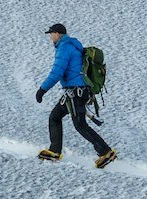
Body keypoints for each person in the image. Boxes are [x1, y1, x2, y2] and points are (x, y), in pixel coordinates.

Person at [34, 24, 116, 168]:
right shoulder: (73, 46)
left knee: (80, 124)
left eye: (51, 33)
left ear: (58, 34)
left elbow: (57, 72)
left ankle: (106, 152)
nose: (50, 37)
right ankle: (54, 151)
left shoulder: (64, 48)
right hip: (75, 92)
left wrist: (42, 89)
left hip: (76, 93)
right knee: (55, 117)